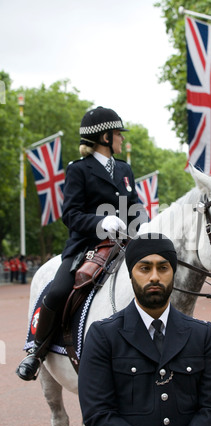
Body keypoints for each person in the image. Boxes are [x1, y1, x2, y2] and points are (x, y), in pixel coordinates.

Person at [16, 106, 148, 381]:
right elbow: (71, 214)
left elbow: (133, 204)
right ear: (104, 137)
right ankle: (36, 352)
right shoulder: (79, 170)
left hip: (123, 244)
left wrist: (143, 219)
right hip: (86, 246)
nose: (122, 138)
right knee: (56, 292)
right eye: (117, 134)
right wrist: (101, 224)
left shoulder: (124, 169)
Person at [78, 233, 211, 426]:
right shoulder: (103, 335)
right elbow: (98, 415)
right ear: (131, 274)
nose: (155, 277)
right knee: (58, 294)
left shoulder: (202, 335)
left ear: (174, 274)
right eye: (145, 268)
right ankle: (38, 347)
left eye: (163, 268)